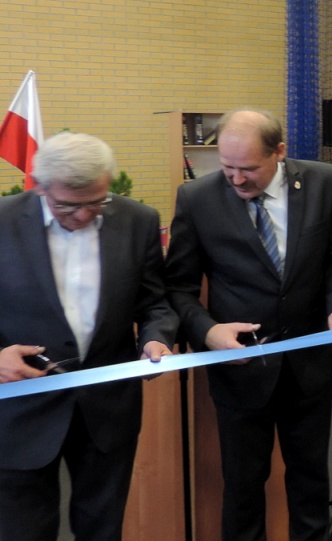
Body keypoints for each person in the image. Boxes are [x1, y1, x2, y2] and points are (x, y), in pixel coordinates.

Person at [164, 109, 332, 541]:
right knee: (244, 486)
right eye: (227, 167)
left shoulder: (321, 181)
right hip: (241, 369)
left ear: (280, 153)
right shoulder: (197, 198)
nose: (235, 179)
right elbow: (177, 288)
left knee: (310, 481)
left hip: (310, 362)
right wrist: (207, 331)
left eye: (248, 168)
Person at [0, 132, 178, 541]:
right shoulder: (4, 222)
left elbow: (155, 303)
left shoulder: (138, 220)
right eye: (68, 205)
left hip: (107, 410)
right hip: (19, 412)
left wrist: (155, 338)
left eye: (96, 203)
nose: (83, 216)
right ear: (40, 186)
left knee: (103, 529)